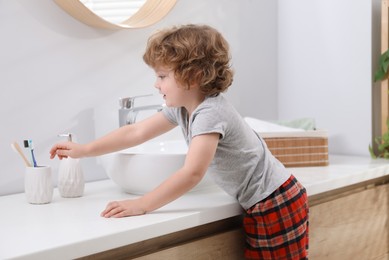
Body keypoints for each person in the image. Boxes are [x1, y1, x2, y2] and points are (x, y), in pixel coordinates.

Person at [50, 24, 309, 259]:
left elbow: (192, 173)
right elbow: (136, 132)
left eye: (162, 76)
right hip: (265, 200)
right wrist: (85, 150)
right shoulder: (183, 108)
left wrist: (142, 204)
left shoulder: (210, 113)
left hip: (274, 200)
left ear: (193, 76)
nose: (156, 84)